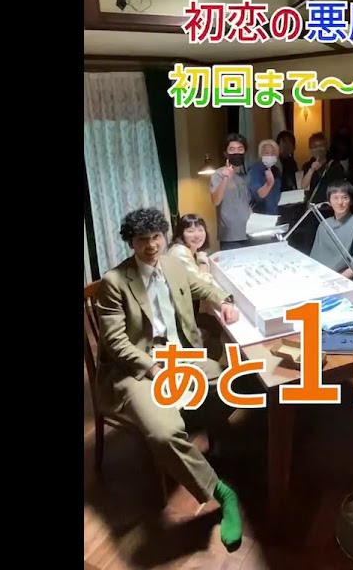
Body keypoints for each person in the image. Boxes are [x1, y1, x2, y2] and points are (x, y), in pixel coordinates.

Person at [94, 208, 245, 550]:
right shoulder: (115, 282)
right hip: (136, 367)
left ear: (164, 237)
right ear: (131, 243)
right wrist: (152, 368)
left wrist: (225, 300)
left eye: (156, 237)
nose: (151, 245)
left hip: (180, 356)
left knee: (234, 383)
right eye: (142, 240)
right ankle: (221, 492)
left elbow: (201, 285)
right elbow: (115, 342)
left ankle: (186, 426)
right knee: (164, 433)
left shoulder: (174, 265)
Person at [309, 181, 353, 280]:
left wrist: (335, 279)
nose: (340, 202)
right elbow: (314, 258)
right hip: (321, 276)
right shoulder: (324, 225)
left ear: (351, 201)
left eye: (344, 198)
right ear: (329, 202)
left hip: (345, 280)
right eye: (335, 198)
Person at [209, 134, 253, 251]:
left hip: (250, 232)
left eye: (240, 149)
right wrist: (225, 178)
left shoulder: (245, 176)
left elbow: (247, 203)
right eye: (232, 149)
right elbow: (215, 201)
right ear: (226, 153)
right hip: (230, 237)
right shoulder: (218, 174)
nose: (236, 152)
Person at [167, 214, 216, 285]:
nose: (197, 235)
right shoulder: (180, 252)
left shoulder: (192, 249)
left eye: (200, 230)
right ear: (181, 234)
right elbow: (202, 283)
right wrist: (203, 265)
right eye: (190, 231)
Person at [301, 132, 348, 205]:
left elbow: (341, 189)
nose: (318, 149)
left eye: (321, 146)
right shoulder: (307, 166)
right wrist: (311, 170)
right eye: (315, 147)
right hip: (314, 207)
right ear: (310, 149)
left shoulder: (335, 166)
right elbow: (304, 186)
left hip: (330, 206)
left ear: (326, 147)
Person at [247, 138, 283, 215]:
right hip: (260, 214)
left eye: (273, 153)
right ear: (261, 154)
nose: (270, 155)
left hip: (274, 212)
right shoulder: (255, 170)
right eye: (266, 153)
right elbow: (259, 194)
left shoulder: (276, 170)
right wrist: (269, 184)